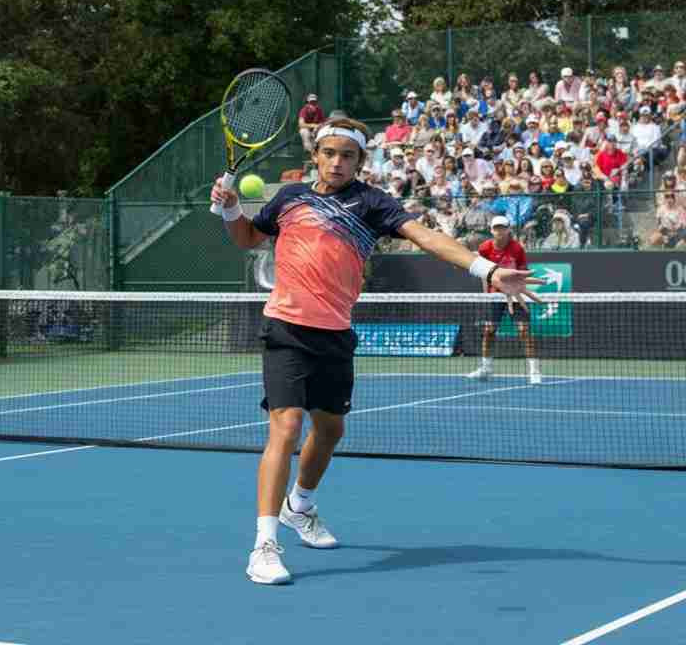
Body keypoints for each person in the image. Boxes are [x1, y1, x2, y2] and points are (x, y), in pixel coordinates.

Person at [211, 119, 539, 585]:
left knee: (329, 430)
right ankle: (264, 545)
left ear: (360, 162)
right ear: (317, 156)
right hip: (285, 326)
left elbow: (427, 237)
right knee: (286, 427)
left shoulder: (371, 204)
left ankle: (299, 507)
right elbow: (247, 238)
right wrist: (229, 212)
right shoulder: (288, 198)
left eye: (348, 155)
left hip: (336, 332)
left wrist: (486, 269)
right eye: (330, 153)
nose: (337, 162)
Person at [465, 217, 543, 384]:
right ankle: (486, 369)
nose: (499, 231)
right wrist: (487, 294)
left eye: (502, 228)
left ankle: (534, 370)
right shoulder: (485, 248)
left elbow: (523, 273)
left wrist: (515, 289)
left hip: (514, 294)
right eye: (496, 228)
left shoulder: (517, 248)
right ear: (491, 230)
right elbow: (483, 273)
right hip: (495, 295)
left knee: (523, 330)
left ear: (508, 230)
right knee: (489, 330)